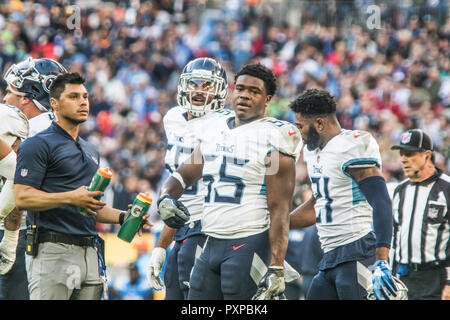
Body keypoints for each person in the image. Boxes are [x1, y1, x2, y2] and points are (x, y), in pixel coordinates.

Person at [157, 63, 302, 300]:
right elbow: (182, 175)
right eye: (241, 88)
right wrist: (166, 196)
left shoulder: (274, 138)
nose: (245, 95)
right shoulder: (215, 128)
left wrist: (276, 266)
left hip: (248, 241)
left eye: (254, 91)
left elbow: (279, 210)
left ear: (267, 99)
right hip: (212, 241)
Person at [13, 72, 151, 300]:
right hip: (52, 250)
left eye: (85, 96)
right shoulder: (36, 144)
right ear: (54, 104)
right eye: (74, 96)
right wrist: (70, 197)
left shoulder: (91, 151)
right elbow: (23, 197)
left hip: (90, 251)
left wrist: (123, 217)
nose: (83, 102)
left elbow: (89, 205)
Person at [288, 88, 405, 300]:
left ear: (320, 124)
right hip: (330, 256)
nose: (299, 133)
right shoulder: (314, 152)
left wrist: (381, 259)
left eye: (301, 126)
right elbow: (319, 205)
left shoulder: (350, 146)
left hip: (357, 250)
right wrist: (278, 222)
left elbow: (381, 201)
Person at [146, 57, 230, 299]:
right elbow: (178, 195)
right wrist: (161, 246)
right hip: (181, 230)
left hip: (208, 229)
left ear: (220, 90)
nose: (198, 91)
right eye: (193, 83)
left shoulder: (224, 123)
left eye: (207, 86)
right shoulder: (173, 119)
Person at [0, 57, 67, 300]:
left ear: (27, 97)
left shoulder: (28, 130)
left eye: (10, 92)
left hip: (22, 234)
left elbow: (19, 187)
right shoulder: (58, 129)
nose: (5, 98)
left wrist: (8, 237)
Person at [390, 129, 450, 300]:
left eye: (409, 154)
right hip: (405, 277)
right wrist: (392, 275)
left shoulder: (446, 189)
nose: (403, 159)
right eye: (402, 154)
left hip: (435, 277)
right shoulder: (400, 190)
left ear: (427, 155)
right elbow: (396, 236)